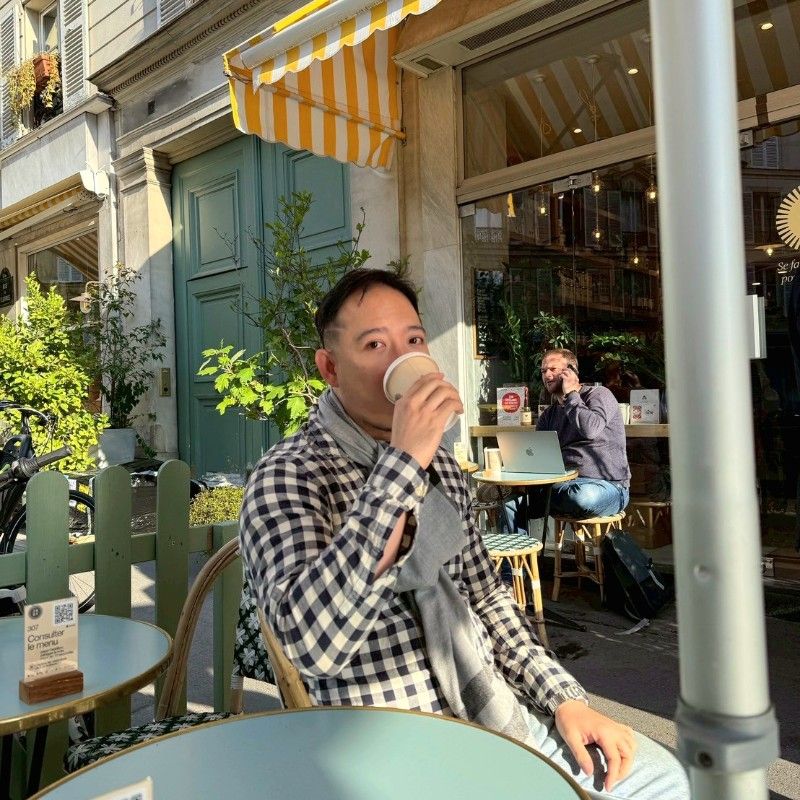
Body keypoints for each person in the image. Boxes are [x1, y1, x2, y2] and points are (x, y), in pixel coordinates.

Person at [240, 269, 688, 800]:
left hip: (493, 715)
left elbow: (487, 600)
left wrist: (565, 699)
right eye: (375, 344)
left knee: (667, 779)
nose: (403, 359)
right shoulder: (288, 475)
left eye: (413, 340)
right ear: (330, 368)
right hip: (384, 753)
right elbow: (312, 647)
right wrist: (404, 463)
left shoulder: (445, 471)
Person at [536, 349, 631, 519]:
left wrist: (571, 394)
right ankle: (521, 537)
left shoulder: (599, 394)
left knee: (581, 497)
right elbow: (540, 455)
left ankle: (546, 497)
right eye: (543, 371)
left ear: (571, 372)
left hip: (606, 486)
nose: (547, 375)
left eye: (553, 369)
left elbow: (590, 429)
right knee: (511, 503)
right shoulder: (549, 414)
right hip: (565, 483)